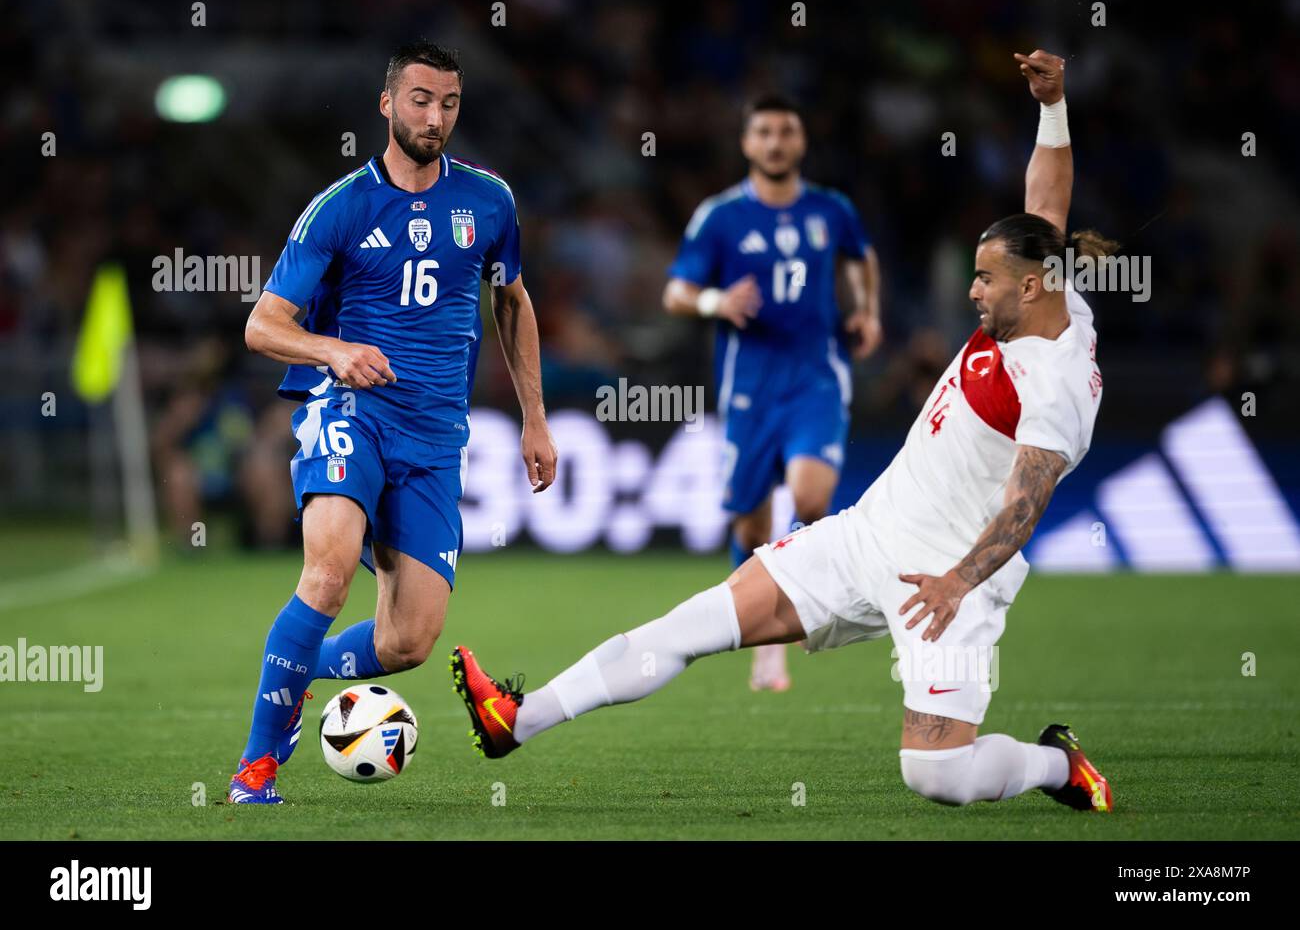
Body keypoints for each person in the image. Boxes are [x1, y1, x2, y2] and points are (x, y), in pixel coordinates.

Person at [451, 50, 1114, 812]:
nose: (971, 290)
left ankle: (1057, 767)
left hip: (949, 580)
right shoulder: (1043, 286)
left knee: (937, 776)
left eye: (984, 280)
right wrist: (1054, 105)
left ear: (1030, 287)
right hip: (868, 533)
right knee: (690, 625)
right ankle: (517, 720)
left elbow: (1026, 503)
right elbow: (1046, 203)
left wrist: (959, 582)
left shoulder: (1056, 382)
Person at [228, 42, 557, 804]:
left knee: (407, 641)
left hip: (437, 438)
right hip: (351, 414)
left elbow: (511, 300)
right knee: (329, 572)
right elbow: (263, 324)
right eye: (419, 100)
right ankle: (256, 767)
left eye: (448, 103)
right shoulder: (341, 206)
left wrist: (535, 419)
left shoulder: (489, 203)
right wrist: (333, 350)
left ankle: (298, 665)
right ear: (386, 104)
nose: (434, 116)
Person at [661, 94, 883, 691]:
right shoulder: (721, 215)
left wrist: (867, 312)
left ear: (801, 142)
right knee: (749, 530)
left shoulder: (831, 210)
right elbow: (676, 292)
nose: (776, 142)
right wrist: (716, 301)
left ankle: (795, 621)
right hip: (750, 390)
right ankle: (762, 640)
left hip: (816, 378)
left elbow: (861, 258)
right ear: (747, 143)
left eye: (787, 131)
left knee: (812, 502)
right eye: (764, 132)